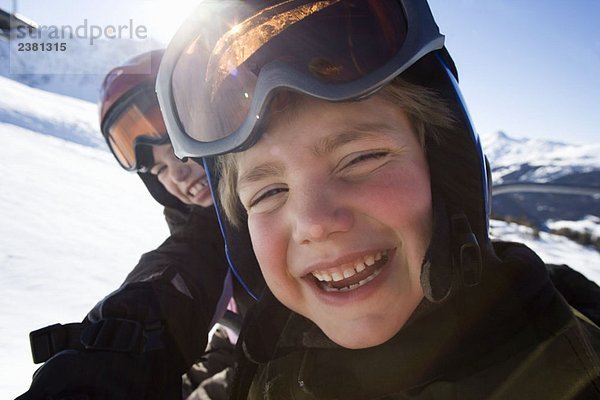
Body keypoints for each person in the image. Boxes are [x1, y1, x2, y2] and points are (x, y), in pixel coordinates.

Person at [153, 0, 600, 398]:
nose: (314, 222)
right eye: (269, 192)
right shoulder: (269, 352)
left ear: (447, 175)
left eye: (361, 158)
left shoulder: (567, 366)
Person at [16, 50, 255, 400]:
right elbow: (176, 280)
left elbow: (196, 263)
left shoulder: (258, 210)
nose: (175, 173)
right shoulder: (202, 232)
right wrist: (114, 354)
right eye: (158, 170)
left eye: (176, 147)